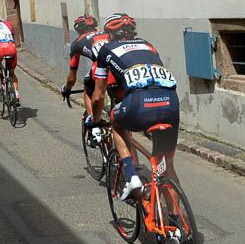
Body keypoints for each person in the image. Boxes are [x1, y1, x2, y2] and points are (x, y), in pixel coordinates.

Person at [91, 13, 181, 200]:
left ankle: (132, 176)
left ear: (109, 34)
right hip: (170, 103)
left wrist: (96, 120)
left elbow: (98, 95)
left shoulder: (106, 49)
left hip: (140, 103)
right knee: (167, 165)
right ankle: (175, 225)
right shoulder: (148, 46)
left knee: (116, 123)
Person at [61, 14, 116, 144]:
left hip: (102, 69)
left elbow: (72, 77)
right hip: (118, 68)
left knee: (88, 88)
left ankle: (94, 123)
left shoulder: (77, 43)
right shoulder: (107, 35)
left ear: (78, 30)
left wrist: (67, 89)